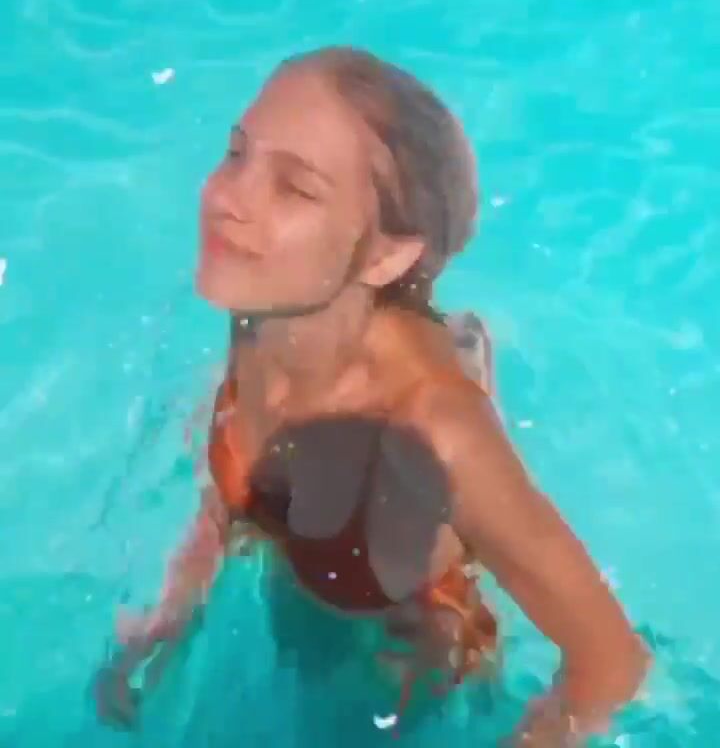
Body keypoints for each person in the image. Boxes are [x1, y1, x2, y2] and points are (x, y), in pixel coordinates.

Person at [94, 46, 649, 744]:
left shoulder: (434, 433)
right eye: (236, 154)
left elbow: (612, 661)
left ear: (388, 255)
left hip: (410, 684)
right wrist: (172, 617)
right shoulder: (266, 302)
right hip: (315, 591)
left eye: (294, 189)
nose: (227, 199)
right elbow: (228, 495)